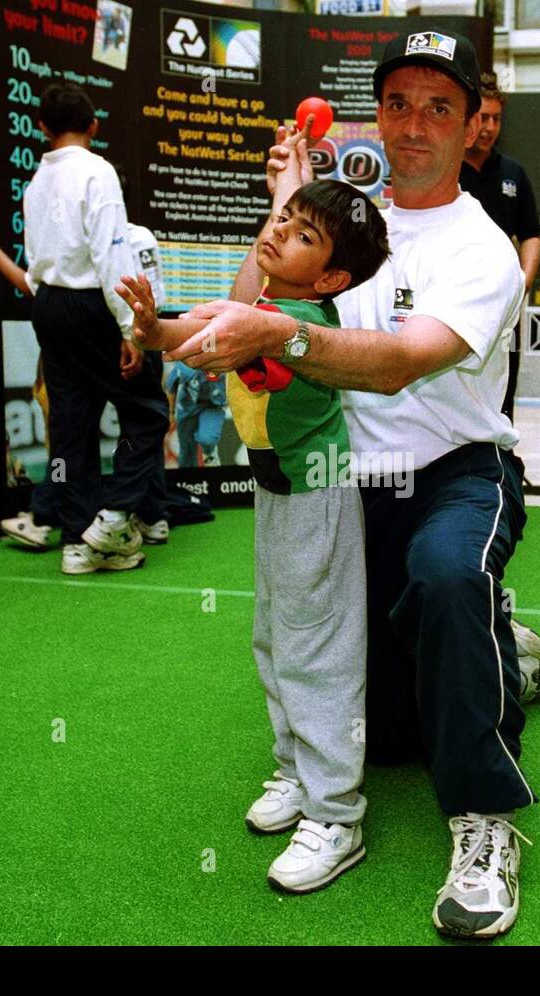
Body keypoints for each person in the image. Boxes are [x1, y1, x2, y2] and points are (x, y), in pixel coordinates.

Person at [118, 28, 540, 939]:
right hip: (342, 481)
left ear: (472, 124)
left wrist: (282, 338)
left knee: (449, 578)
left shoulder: (483, 248)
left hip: (457, 473)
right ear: (380, 114)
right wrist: (280, 212)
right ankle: (509, 653)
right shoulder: (346, 213)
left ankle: (486, 822)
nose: (416, 124)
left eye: (440, 107)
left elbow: (400, 364)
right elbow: (261, 299)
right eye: (401, 103)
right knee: (385, 733)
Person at [127, 127, 391, 892]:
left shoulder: (302, 331)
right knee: (274, 637)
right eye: (283, 217)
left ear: (333, 277)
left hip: (319, 495)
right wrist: (151, 331)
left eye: (302, 232)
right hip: (280, 496)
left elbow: (226, 341)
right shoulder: (266, 305)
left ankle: (337, 813)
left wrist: (176, 338)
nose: (279, 230)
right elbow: (202, 328)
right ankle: (297, 774)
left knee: (319, 650)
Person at [0, 211, 170, 551]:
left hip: (127, 340)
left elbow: (149, 296)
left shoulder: (131, 238)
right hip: (102, 340)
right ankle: (61, 518)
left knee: (120, 427)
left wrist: (133, 336)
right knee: (79, 433)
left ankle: (137, 517)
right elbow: (35, 285)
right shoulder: (78, 241)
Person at [21, 82, 169, 575]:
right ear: (93, 126)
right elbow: (110, 250)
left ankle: (77, 544)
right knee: (148, 409)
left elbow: (33, 262)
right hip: (92, 305)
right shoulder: (98, 171)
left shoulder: (35, 183)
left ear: (42, 128)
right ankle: (111, 520)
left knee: (71, 425)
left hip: (48, 303)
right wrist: (131, 327)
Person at [459, 70, 540, 424]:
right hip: (455, 294)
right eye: (483, 117)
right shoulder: (447, 168)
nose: (490, 126)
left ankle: (503, 468)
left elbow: (531, 234)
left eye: (497, 118)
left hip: (502, 301)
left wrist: (521, 284)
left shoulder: (513, 172)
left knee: (503, 386)